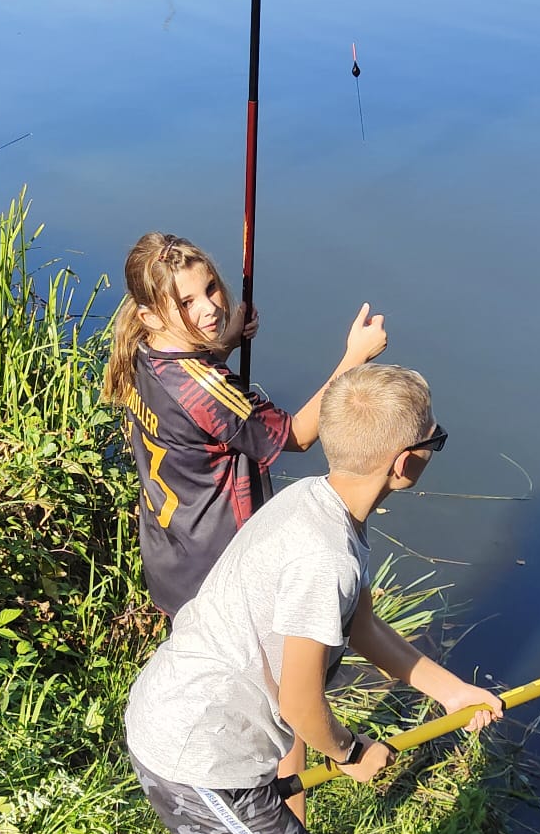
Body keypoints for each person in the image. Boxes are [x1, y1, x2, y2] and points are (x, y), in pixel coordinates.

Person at [123, 365, 503, 834]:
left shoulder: (317, 504)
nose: (432, 450)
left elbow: (362, 627)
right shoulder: (325, 555)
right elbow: (301, 702)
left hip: (205, 729)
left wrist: (450, 691)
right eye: (435, 440)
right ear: (405, 462)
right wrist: (351, 750)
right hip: (197, 753)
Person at [102, 231, 388, 619]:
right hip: (221, 572)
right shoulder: (208, 390)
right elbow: (298, 435)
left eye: (210, 288)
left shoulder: (141, 353)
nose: (210, 308)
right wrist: (355, 356)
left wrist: (227, 342)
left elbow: (188, 390)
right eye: (187, 302)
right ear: (149, 316)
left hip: (171, 559)